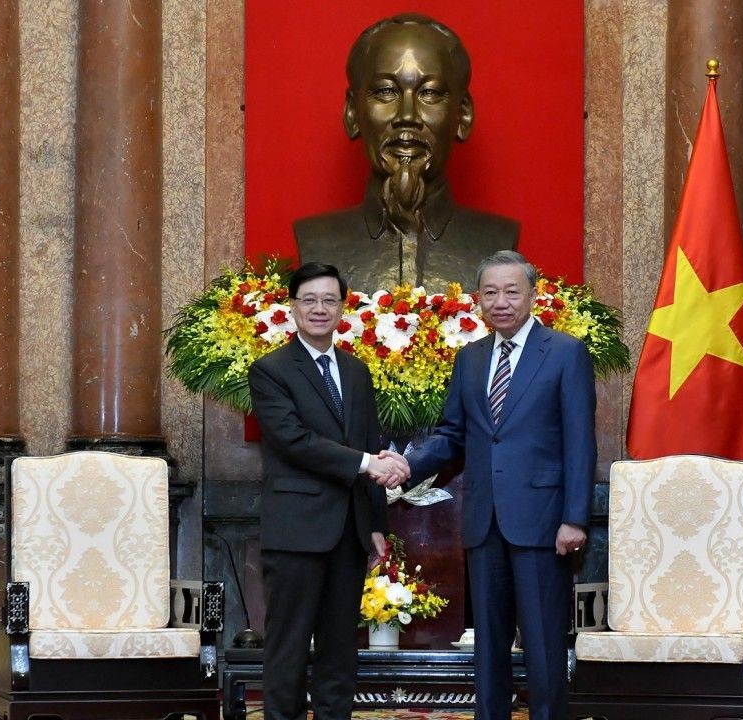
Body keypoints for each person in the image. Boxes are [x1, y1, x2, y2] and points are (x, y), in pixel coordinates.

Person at [397, 250, 596, 720]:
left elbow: (580, 443)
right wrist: (406, 465)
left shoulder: (566, 353)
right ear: (477, 299)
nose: (501, 301)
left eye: (512, 291)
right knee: (488, 647)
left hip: (545, 524)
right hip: (484, 524)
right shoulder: (470, 359)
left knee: (544, 646)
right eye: (490, 292)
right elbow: (452, 436)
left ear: (532, 295)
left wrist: (575, 518)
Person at [248, 262, 408, 720]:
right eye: (309, 300)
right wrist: (366, 463)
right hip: (296, 532)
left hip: (349, 533)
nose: (319, 309)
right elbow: (292, 440)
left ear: (343, 308)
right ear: (292, 307)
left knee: (340, 652)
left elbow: (368, 442)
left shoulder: (356, 371)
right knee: (289, 650)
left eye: (329, 300)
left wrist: (376, 524)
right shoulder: (270, 370)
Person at [294, 13, 519, 291]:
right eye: (386, 91)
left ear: (462, 115)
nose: (407, 116)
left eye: (430, 93)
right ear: (352, 113)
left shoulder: (497, 239)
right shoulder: (316, 240)